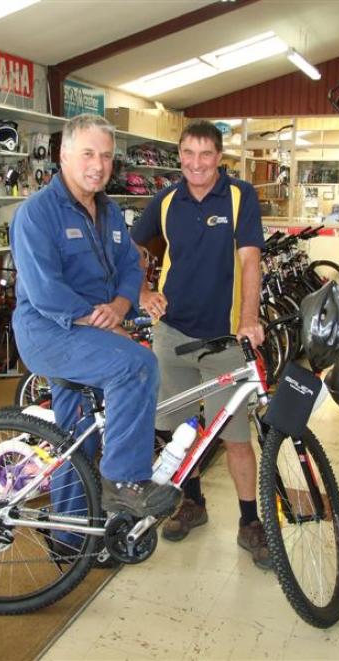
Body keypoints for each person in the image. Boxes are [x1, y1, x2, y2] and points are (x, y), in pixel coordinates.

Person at [10, 113, 180, 519]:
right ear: (64, 154)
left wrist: (121, 307)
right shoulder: (36, 214)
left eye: (105, 156)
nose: (98, 165)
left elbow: (130, 266)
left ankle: (71, 538)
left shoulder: (109, 213)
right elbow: (45, 292)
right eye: (88, 153)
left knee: (78, 436)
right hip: (50, 332)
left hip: (92, 334)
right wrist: (99, 320)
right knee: (137, 365)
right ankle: (123, 480)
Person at [131, 119, 271, 569]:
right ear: (180, 157)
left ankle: (250, 521)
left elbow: (251, 261)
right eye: (188, 154)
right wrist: (141, 293)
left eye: (205, 154)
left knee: (234, 437)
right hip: (171, 333)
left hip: (223, 337)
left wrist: (249, 319)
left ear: (219, 158)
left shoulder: (239, 196)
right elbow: (133, 248)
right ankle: (192, 501)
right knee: (176, 429)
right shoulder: (167, 199)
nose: (196, 163)